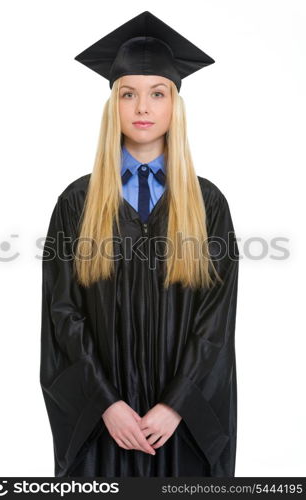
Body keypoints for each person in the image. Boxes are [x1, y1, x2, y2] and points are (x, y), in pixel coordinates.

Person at [40, 11, 240, 478]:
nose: (143, 107)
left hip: (182, 424)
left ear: (175, 105)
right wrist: (106, 404)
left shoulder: (207, 204)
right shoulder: (78, 202)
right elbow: (62, 312)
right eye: (128, 93)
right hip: (103, 423)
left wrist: (177, 404)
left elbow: (217, 320)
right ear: (114, 105)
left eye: (158, 93)